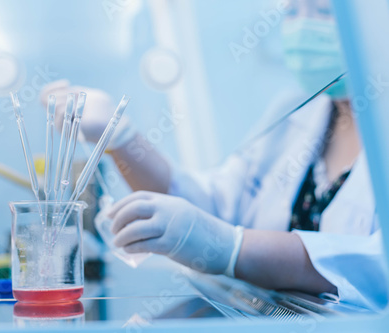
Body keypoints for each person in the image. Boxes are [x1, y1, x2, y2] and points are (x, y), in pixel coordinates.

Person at [40, 0, 387, 310]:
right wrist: (120, 137)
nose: (302, 28)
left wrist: (230, 247)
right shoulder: (297, 113)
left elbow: (376, 264)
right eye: (293, 11)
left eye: (325, 12)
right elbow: (209, 208)